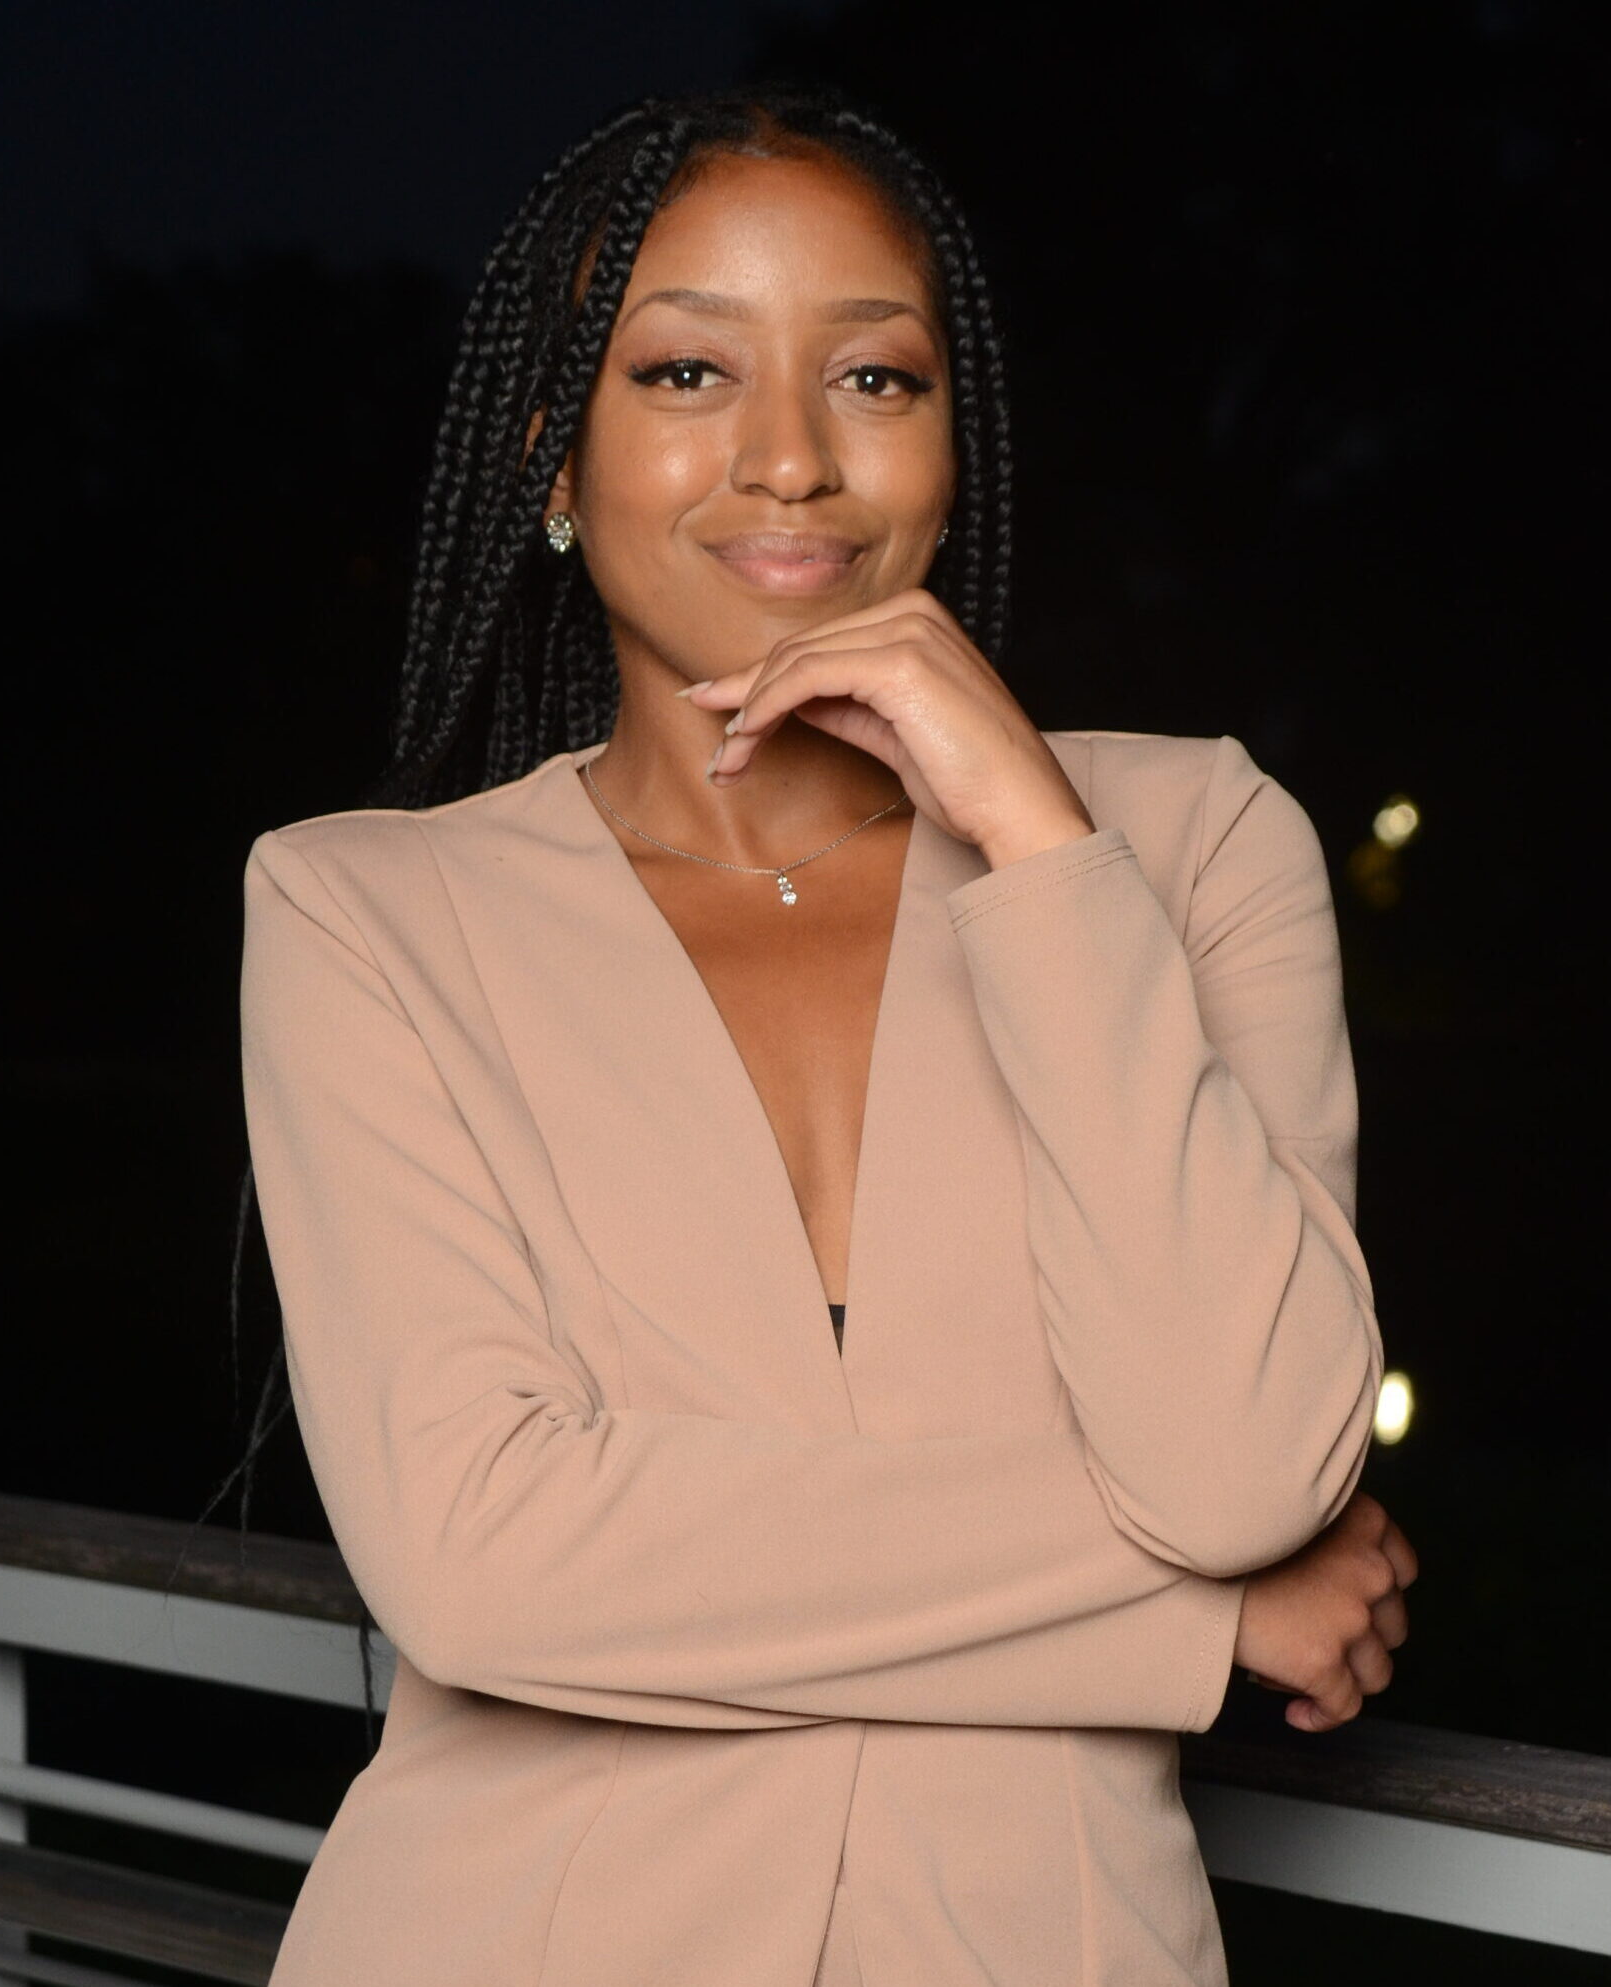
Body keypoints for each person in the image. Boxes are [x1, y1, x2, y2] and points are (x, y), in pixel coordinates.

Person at [235, 80, 1418, 1985]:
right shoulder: (362, 908)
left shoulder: (1190, 845)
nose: (789, 460)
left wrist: (1035, 838)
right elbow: (482, 1561)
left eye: (873, 380)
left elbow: (1245, 1467)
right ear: (554, 459)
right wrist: (1199, 1620)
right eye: (687, 374)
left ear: (953, 444)